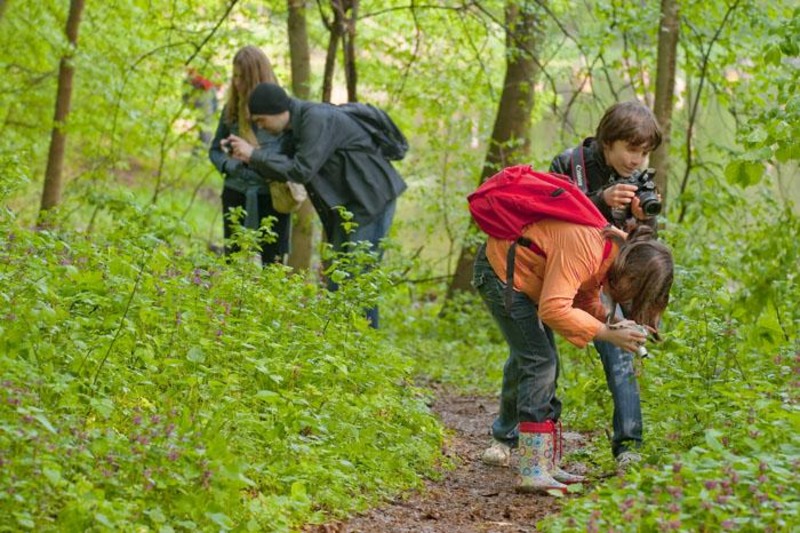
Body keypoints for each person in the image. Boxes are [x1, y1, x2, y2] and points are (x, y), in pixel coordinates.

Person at [481, 101, 664, 472]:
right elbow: (547, 220)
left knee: (618, 350)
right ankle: (508, 436)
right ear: (607, 141)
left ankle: (628, 444)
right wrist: (601, 200)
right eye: (630, 149)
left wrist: (640, 220)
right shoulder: (571, 164)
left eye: (644, 153)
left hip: (607, 272)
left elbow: (642, 249)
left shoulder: (641, 182)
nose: (636, 160)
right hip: (548, 269)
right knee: (534, 356)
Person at [472, 220, 673, 494]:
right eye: (634, 294)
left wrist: (611, 321)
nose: (628, 300)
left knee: (545, 362)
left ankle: (546, 464)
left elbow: (584, 297)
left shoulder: (609, 254)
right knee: (539, 361)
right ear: (631, 277)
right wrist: (606, 333)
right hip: (503, 273)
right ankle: (532, 468)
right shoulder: (586, 248)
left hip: (527, 276)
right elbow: (554, 309)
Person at [226, 83, 407, 328]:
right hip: (349, 207)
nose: (260, 126)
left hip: (371, 202)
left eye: (261, 120)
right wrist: (247, 157)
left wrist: (254, 155)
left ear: (278, 111)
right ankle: (340, 344)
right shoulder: (295, 127)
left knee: (357, 279)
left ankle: (363, 346)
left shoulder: (315, 119)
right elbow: (286, 163)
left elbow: (300, 170)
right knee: (338, 278)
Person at [208, 47, 291, 265]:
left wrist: (253, 154)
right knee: (233, 260)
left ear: (256, 76)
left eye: (242, 77)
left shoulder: (279, 109)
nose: (237, 82)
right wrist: (229, 163)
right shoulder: (231, 109)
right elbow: (214, 149)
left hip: (271, 195)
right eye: (234, 75)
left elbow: (288, 159)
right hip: (235, 192)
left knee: (272, 263)